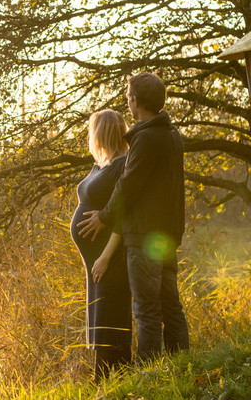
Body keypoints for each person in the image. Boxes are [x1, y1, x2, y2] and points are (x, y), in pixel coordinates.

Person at [78, 71, 189, 363]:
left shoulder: (146, 138)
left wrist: (103, 216)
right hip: (166, 234)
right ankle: (181, 363)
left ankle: (149, 372)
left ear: (135, 101)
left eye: (128, 98)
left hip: (144, 237)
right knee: (170, 305)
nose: (128, 103)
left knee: (146, 310)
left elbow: (128, 186)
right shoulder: (170, 134)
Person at [70, 109, 132, 381]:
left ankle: (110, 378)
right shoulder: (102, 164)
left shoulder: (122, 165)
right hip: (94, 255)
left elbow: (124, 215)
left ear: (103, 131)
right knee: (100, 310)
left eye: (93, 130)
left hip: (108, 253)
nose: (90, 136)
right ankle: (105, 379)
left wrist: (106, 256)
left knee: (111, 311)